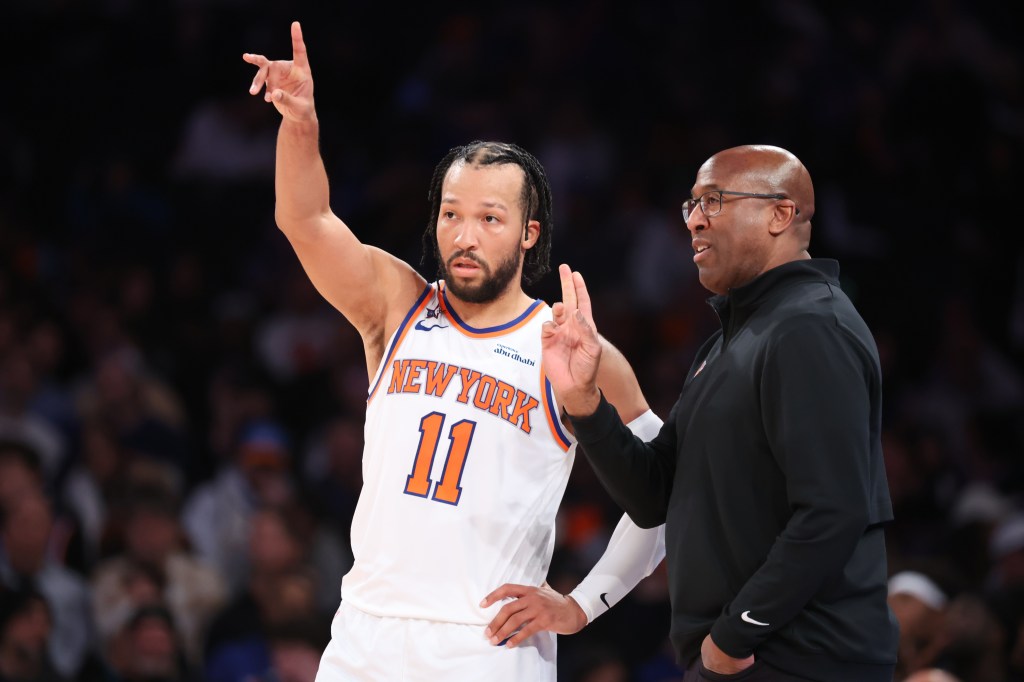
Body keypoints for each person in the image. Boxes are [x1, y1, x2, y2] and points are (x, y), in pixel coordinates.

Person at [242, 21, 666, 682]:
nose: (464, 235)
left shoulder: (570, 345)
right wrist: (299, 124)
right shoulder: (397, 303)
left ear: (529, 234)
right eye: (450, 214)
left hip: (486, 644)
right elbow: (306, 220)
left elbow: (665, 495)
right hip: (365, 634)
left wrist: (583, 605)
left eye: (490, 218)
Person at [535, 145, 899, 681]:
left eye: (714, 201)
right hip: (745, 657)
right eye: (691, 205)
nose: (695, 220)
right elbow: (654, 495)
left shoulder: (811, 327)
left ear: (780, 214)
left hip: (797, 658)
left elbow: (833, 509)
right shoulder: (728, 344)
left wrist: (736, 634)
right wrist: (585, 402)